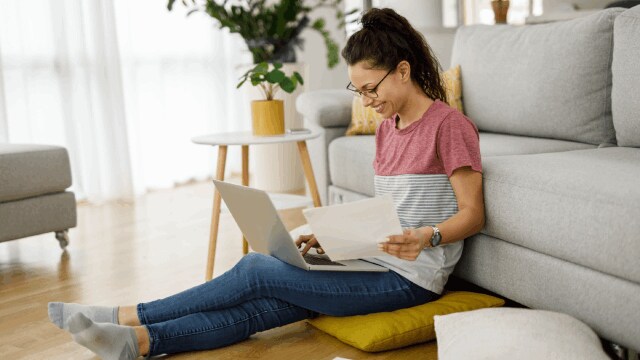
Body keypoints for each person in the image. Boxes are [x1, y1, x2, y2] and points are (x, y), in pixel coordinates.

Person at [47, 8, 484, 359]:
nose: (368, 101)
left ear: (403, 71)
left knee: (257, 269)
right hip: (373, 263)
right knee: (267, 308)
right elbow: (389, 211)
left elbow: (472, 214)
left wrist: (429, 236)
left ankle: (126, 315)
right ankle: (137, 343)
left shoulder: (450, 127)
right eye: (359, 92)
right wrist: (340, 238)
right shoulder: (388, 130)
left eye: (371, 89)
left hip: (411, 278)